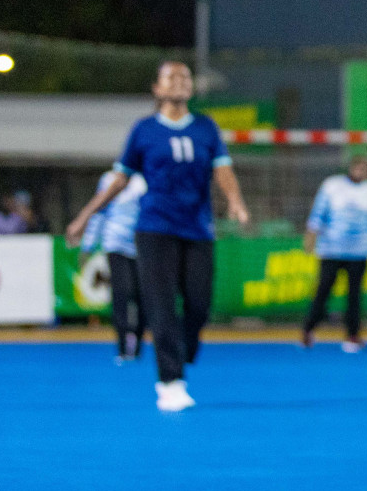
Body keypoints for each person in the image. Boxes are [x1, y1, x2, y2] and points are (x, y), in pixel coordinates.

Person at [66, 62, 250, 411]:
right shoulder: (144, 130)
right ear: (157, 89)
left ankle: (185, 348)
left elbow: (223, 171)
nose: (179, 82)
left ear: (191, 89)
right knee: (160, 304)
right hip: (154, 230)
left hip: (197, 228)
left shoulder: (206, 128)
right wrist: (85, 216)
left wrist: (236, 202)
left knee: (199, 302)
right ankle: (170, 381)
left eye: (185, 77)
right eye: (171, 78)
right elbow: (119, 180)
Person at [301, 154, 367, 353]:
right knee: (323, 290)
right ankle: (308, 329)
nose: (361, 172)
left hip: (359, 252)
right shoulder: (332, 186)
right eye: (358, 168)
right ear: (350, 168)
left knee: (354, 295)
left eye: (365, 169)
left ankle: (353, 335)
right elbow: (318, 213)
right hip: (331, 251)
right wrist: (310, 237)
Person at [80, 170, 148, 362]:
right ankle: (122, 345)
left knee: (141, 296)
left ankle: (138, 343)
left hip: (141, 246)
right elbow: (99, 212)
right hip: (115, 245)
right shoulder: (108, 180)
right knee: (122, 293)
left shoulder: (143, 181)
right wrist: (88, 245)